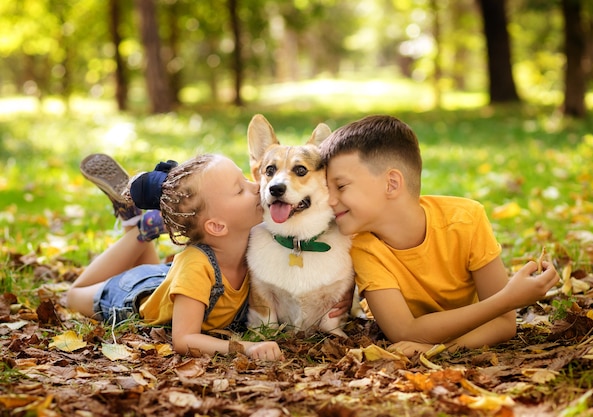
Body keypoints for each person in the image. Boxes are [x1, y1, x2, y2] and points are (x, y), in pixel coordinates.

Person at [319, 115, 560, 357]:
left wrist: (438, 349)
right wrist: (507, 299)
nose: (329, 200)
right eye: (326, 189)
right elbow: (404, 331)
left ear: (391, 184)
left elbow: (504, 324)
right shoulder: (362, 246)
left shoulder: (466, 220)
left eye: (340, 186)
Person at [66, 153, 284, 360]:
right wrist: (247, 348)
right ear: (217, 226)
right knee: (73, 297)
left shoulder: (258, 242)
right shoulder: (195, 267)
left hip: (171, 284)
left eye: (247, 179)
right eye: (240, 190)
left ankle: (136, 221)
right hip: (134, 293)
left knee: (164, 284)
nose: (257, 187)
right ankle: (141, 230)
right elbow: (184, 339)